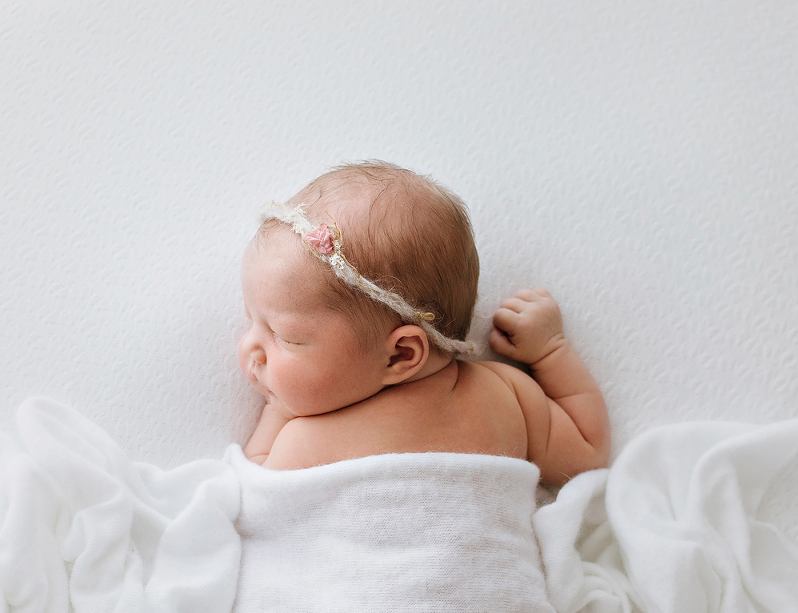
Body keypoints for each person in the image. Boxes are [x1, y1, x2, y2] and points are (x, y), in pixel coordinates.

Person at [239, 161, 610, 484]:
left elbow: (252, 497)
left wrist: (276, 410)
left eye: (285, 337)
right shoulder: (505, 396)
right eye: (251, 321)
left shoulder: (301, 441)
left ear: (401, 354)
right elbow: (588, 450)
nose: (250, 348)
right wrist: (550, 352)